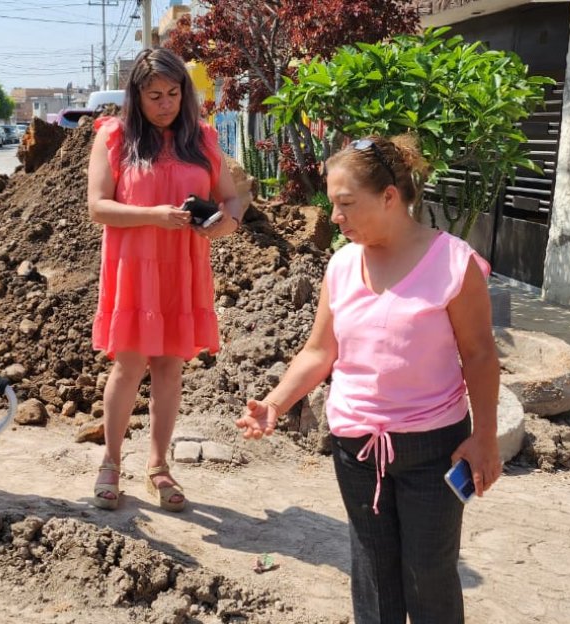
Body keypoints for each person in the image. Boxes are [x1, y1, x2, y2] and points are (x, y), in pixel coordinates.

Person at [236, 135, 502, 623]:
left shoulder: (453, 263)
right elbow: (320, 351)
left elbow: (481, 355)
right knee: (372, 573)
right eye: (333, 204)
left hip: (434, 448)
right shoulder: (340, 265)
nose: (334, 216)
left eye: (344, 204)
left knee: (429, 575)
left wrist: (485, 436)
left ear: (389, 197)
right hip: (356, 448)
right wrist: (275, 402)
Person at [86, 48, 244, 512]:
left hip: (184, 268)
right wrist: (154, 215)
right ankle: (110, 463)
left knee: (171, 367)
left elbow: (232, 200)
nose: (165, 103)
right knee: (129, 364)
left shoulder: (204, 139)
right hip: (135, 267)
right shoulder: (114, 138)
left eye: (173, 93)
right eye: (154, 95)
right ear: (136, 97)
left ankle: (158, 467)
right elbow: (98, 206)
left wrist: (225, 222)